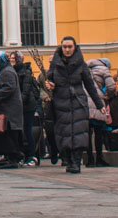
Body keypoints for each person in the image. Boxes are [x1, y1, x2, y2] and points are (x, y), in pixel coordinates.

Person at [45, 36, 104, 174]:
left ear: (75, 47)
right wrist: (50, 85)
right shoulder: (55, 63)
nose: (67, 49)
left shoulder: (81, 64)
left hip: (78, 102)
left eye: (69, 47)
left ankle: (76, 162)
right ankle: (68, 160)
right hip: (61, 103)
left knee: (78, 133)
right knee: (64, 133)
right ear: (61, 47)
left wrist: (99, 104)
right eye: (64, 47)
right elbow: (49, 81)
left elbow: (90, 85)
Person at [0, 50, 24, 169]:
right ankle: (12, 158)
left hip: (9, 111)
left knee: (9, 135)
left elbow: (9, 87)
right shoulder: (5, 71)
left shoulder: (7, 72)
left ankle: (14, 158)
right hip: (6, 110)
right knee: (6, 135)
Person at [11, 52, 41, 165]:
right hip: (20, 105)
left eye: (13, 59)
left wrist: (19, 103)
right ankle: (22, 155)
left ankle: (32, 156)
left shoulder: (25, 72)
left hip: (27, 106)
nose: (11, 60)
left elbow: (26, 91)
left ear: (19, 59)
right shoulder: (14, 71)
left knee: (27, 131)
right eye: (10, 58)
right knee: (20, 131)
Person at [88, 56, 115, 167]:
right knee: (98, 133)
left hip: (84, 104)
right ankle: (99, 159)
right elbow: (112, 86)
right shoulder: (104, 70)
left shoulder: (86, 68)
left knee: (87, 134)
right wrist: (108, 96)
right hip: (98, 103)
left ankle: (89, 160)